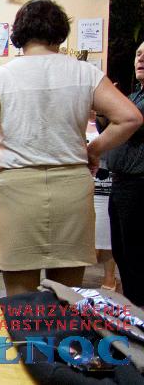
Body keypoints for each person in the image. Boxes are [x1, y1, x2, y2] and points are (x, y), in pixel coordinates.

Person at [0, 0, 141, 296]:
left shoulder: (2, 76)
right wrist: (94, 149)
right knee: (66, 297)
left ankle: (26, 328)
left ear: (19, 33)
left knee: (21, 300)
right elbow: (130, 117)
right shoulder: (84, 73)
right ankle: (61, 327)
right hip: (72, 189)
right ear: (60, 32)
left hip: (19, 190)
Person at [102, 41, 144, 305]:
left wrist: (109, 102)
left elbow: (130, 122)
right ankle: (133, 306)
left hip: (139, 185)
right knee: (122, 251)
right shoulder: (136, 95)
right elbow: (113, 124)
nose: (141, 59)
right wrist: (104, 113)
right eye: (138, 54)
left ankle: (138, 309)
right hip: (121, 184)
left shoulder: (134, 104)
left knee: (136, 253)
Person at [86, 111, 117, 291]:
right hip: (82, 184)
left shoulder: (111, 123)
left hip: (105, 184)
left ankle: (110, 277)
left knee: (106, 232)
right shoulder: (78, 121)